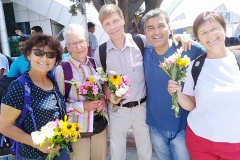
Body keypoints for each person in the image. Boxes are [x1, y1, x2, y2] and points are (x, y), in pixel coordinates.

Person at [94, 4, 192, 160]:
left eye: (115, 21)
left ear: (123, 20)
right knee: (117, 153)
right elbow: (103, 81)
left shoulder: (141, 41)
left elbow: (161, 42)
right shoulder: (100, 52)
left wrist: (178, 38)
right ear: (103, 27)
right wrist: (108, 94)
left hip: (142, 107)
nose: (112, 27)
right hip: (117, 110)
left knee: (145, 152)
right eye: (107, 24)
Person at [168, 11, 240, 159]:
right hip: (200, 142)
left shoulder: (237, 61)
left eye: (214, 29)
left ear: (224, 29)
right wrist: (178, 94)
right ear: (198, 38)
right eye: (203, 32)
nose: (210, 35)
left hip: (235, 144)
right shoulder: (195, 66)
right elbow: (191, 104)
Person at [142, 8, 205, 160]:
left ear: (169, 28)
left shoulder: (189, 49)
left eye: (161, 26)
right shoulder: (144, 53)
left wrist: (184, 37)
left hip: (182, 128)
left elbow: (215, 53)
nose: (156, 32)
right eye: (151, 28)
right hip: (155, 127)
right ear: (145, 32)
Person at [0, 34, 68, 159]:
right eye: (38, 52)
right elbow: (4, 126)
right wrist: (37, 143)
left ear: (55, 59)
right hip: (33, 155)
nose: (44, 58)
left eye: (50, 54)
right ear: (28, 55)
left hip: (59, 151)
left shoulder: (53, 82)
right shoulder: (19, 86)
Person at [54, 23, 107, 160]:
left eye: (81, 42)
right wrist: (83, 106)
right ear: (67, 46)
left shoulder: (95, 64)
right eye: (73, 43)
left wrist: (102, 99)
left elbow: (102, 90)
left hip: (99, 128)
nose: (79, 47)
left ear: (87, 42)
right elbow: (58, 106)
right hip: (77, 132)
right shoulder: (62, 70)